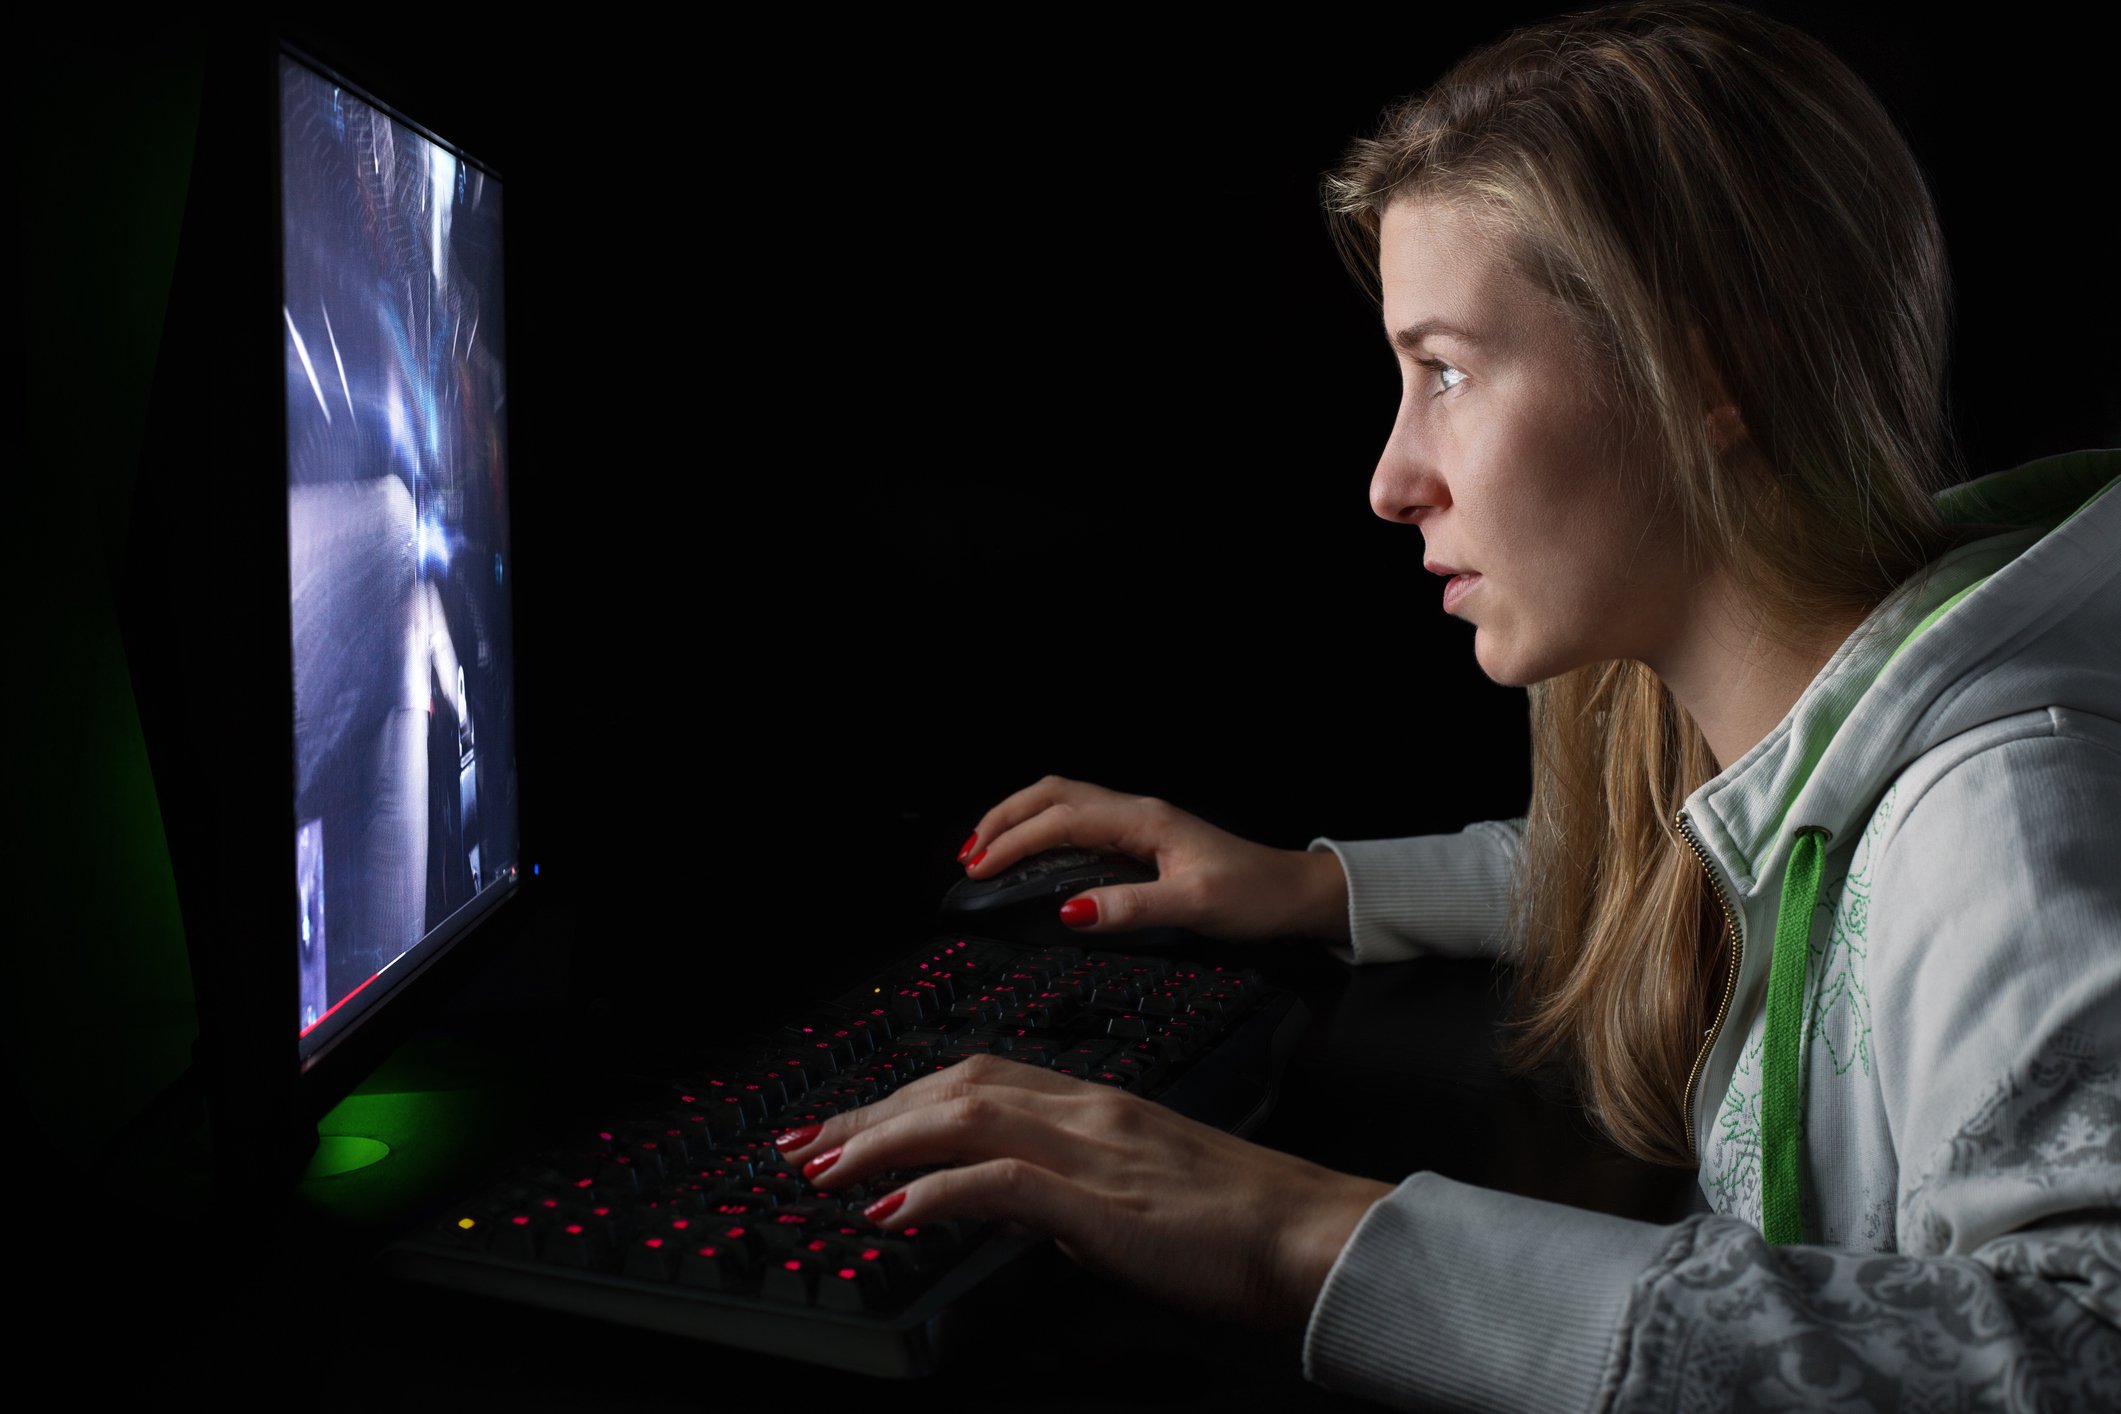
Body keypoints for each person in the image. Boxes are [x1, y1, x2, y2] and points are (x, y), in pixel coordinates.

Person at [774, 2, 2121, 1407]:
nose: (1391, 476)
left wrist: (1300, 1229)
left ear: (1712, 373)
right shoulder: (1844, 741)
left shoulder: (2006, 823)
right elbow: (1705, 868)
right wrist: (1312, 886)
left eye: (1448, 370)